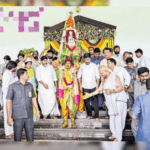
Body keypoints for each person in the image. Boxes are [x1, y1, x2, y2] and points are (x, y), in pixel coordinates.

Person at [83, 66, 127, 141]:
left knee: (118, 120)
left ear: (106, 71)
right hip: (111, 102)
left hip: (118, 101)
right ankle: (114, 134)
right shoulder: (103, 80)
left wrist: (112, 91)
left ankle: (119, 138)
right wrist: (89, 95)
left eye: (101, 73)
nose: (100, 75)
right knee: (112, 119)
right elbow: (99, 89)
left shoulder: (114, 77)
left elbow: (120, 88)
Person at [6, 68, 40, 141]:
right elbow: (8, 102)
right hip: (18, 117)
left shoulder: (30, 85)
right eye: (26, 74)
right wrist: (9, 116)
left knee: (30, 138)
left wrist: (37, 110)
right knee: (17, 139)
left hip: (29, 116)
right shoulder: (12, 87)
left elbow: (33, 98)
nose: (28, 75)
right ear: (22, 76)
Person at [77, 53, 100, 122]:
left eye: (88, 59)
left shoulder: (94, 66)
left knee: (95, 101)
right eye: (85, 59)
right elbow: (79, 76)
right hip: (85, 86)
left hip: (93, 86)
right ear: (83, 59)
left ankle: (97, 116)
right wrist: (80, 85)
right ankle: (89, 115)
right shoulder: (81, 66)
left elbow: (98, 77)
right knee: (86, 102)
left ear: (90, 59)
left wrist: (97, 85)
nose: (87, 61)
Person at [58, 58, 80, 128]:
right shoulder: (62, 70)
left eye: (69, 63)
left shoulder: (73, 70)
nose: (67, 64)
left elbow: (75, 81)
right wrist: (64, 86)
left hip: (72, 91)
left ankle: (73, 122)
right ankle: (65, 122)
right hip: (64, 91)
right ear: (64, 64)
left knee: (72, 107)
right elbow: (61, 80)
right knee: (64, 106)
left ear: (71, 64)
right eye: (66, 63)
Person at [18, 56, 40, 122]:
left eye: (30, 64)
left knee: (34, 102)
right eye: (28, 64)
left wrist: (33, 59)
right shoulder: (23, 71)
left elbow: (39, 65)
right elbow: (19, 65)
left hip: (33, 88)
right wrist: (24, 59)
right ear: (25, 65)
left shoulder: (33, 69)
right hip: (26, 88)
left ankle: (34, 117)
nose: (29, 65)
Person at [128, 78, 150, 142]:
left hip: (144, 134)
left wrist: (129, 110)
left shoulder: (140, 98)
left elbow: (133, 116)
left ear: (145, 86)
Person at [2, 61, 17, 139]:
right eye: (15, 67)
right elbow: (5, 88)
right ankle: (7, 133)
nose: (16, 68)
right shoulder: (6, 75)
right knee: (7, 114)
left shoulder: (11, 74)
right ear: (12, 67)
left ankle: (11, 131)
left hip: (11, 97)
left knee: (11, 114)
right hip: (7, 97)